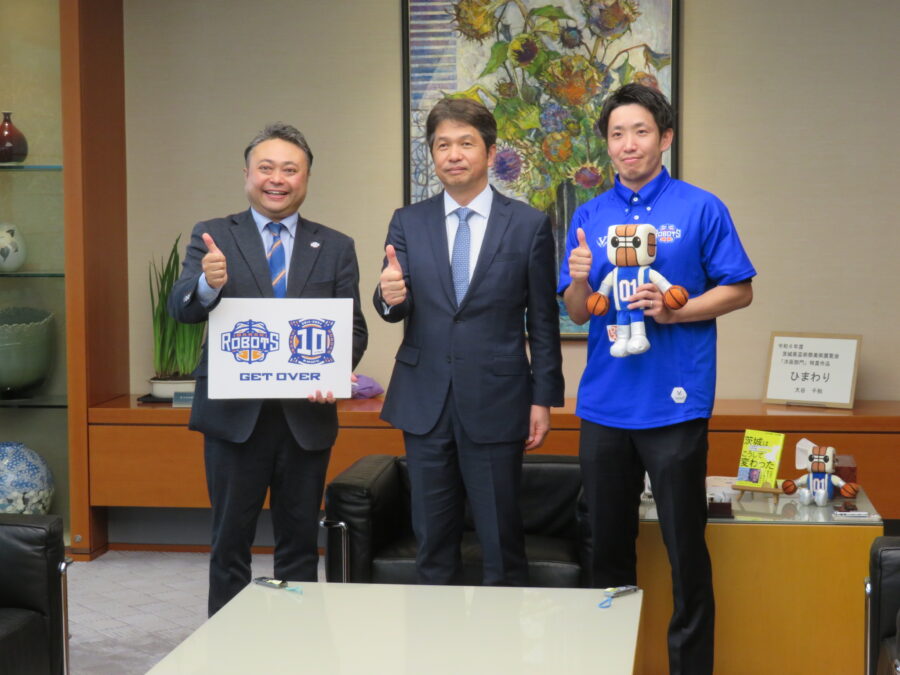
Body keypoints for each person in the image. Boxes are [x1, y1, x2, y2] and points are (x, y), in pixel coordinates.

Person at [558, 84, 755, 675]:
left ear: (664, 137)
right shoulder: (589, 216)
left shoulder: (701, 207)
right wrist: (577, 279)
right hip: (605, 404)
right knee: (606, 552)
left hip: (675, 404)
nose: (628, 144)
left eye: (640, 131)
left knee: (684, 551)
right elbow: (576, 312)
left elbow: (740, 289)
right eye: (617, 134)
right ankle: (608, 662)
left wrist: (677, 311)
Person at [169, 122, 368, 615]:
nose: (277, 179)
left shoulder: (335, 245)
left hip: (305, 419)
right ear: (247, 174)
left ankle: (295, 643)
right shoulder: (214, 236)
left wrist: (332, 372)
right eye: (266, 168)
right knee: (229, 544)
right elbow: (181, 308)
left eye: (290, 169)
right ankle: (228, 647)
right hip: (234, 418)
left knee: (299, 547)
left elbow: (352, 328)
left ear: (306, 178)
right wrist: (209, 284)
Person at [375, 98, 564, 586]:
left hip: (499, 398)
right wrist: (387, 296)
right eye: (442, 145)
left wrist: (543, 398)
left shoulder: (528, 225)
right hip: (424, 398)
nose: (453, 154)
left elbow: (543, 321)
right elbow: (393, 302)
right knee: (431, 542)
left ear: (490, 151)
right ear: (432, 154)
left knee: (502, 541)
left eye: (465, 143)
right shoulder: (408, 221)